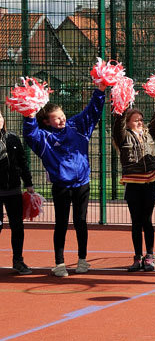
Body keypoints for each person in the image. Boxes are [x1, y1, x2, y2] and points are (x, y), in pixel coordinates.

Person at [23, 82, 106, 277]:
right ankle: (59, 264)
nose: (61, 120)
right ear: (46, 122)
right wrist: (29, 113)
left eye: (62, 116)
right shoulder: (43, 138)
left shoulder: (77, 126)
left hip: (82, 184)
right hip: (61, 186)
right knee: (61, 223)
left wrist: (100, 90)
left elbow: (92, 111)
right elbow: (30, 133)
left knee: (81, 222)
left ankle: (82, 261)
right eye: (56, 118)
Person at [112, 99, 155, 272]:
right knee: (136, 221)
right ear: (127, 122)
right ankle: (137, 257)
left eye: (141, 119)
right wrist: (123, 103)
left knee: (147, 220)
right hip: (133, 183)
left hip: (149, 182)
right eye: (136, 120)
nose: (140, 122)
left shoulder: (148, 133)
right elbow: (117, 123)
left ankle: (150, 256)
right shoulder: (123, 136)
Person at [0, 109, 35, 275]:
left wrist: (28, 183)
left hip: (13, 190)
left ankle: (18, 260)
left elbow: (22, 162)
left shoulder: (12, 138)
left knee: (17, 227)